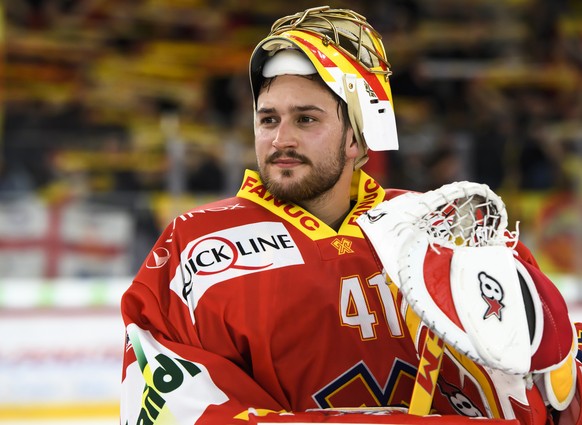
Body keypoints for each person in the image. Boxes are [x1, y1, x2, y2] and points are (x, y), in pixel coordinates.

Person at [120, 6, 582, 425]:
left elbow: (546, 372)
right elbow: (171, 411)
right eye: (268, 119)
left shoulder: (445, 232)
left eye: (306, 119)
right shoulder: (197, 245)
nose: (281, 139)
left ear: (357, 142)